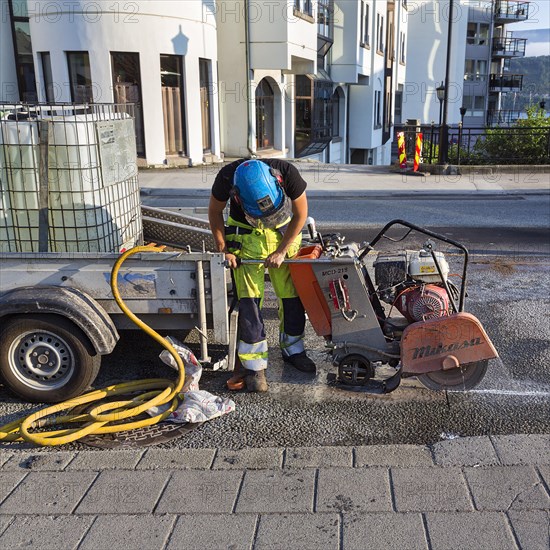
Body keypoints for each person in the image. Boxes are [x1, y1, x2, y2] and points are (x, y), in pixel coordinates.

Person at [208, 159, 316, 392]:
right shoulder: (227, 178)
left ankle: (293, 349)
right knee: (249, 301)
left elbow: (301, 214)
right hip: (246, 237)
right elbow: (215, 212)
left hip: (284, 234)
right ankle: (255, 366)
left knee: (291, 295)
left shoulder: (287, 172)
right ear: (237, 197)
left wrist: (282, 251)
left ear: (278, 182)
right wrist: (223, 250)